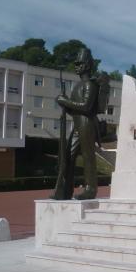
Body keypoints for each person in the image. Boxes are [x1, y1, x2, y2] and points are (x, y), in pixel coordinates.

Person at [51, 48, 101, 200]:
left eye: (80, 63)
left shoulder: (89, 85)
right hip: (78, 125)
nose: (76, 66)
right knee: (67, 157)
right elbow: (75, 109)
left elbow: (86, 106)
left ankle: (90, 189)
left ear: (87, 65)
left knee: (88, 157)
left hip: (87, 124)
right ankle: (65, 190)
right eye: (76, 63)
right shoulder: (77, 86)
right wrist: (65, 105)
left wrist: (66, 102)